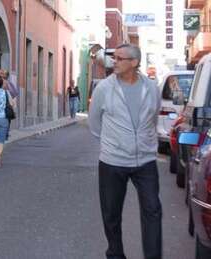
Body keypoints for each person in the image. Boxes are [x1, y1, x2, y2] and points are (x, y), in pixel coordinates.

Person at [88, 44, 162, 259]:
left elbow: (153, 117)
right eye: (114, 58)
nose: (114, 62)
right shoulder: (104, 88)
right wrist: (115, 143)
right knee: (111, 214)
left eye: (120, 58)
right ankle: (115, 254)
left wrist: (144, 142)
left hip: (145, 160)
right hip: (113, 161)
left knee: (153, 210)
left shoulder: (151, 88)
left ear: (134, 62)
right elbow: (94, 123)